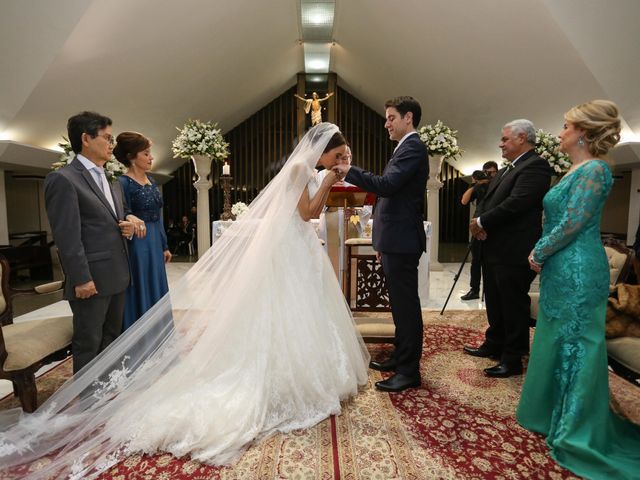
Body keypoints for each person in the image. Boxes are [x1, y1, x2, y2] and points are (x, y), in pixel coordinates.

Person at [0, 123, 369, 478]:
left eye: (340, 158)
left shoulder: (313, 169)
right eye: (336, 155)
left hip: (301, 248)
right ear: (322, 151)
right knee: (286, 312)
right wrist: (331, 181)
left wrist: (329, 180)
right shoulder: (302, 168)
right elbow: (308, 213)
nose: (338, 162)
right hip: (292, 246)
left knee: (306, 312)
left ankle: (311, 365)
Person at [517, 100, 640, 478]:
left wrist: (538, 251)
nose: (560, 132)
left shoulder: (597, 170)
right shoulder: (576, 169)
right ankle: (549, 411)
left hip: (579, 268)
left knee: (576, 342)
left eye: (567, 126)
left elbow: (573, 223)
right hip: (562, 269)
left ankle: (575, 427)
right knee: (555, 336)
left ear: (584, 133)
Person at [333, 96, 428, 393]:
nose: (386, 123)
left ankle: (409, 371)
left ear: (408, 118)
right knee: (398, 307)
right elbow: (390, 197)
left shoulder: (413, 147)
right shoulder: (404, 148)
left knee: (406, 307)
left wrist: (349, 170)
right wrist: (379, 238)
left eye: (390, 117)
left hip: (402, 240)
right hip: (393, 239)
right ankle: (400, 359)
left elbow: (387, 186)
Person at [44, 111, 143, 374]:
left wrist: (129, 225)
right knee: (89, 342)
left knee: (111, 337)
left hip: (116, 273)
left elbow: (115, 220)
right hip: (90, 279)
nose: (112, 145)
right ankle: (88, 404)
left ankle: (106, 391)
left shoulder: (111, 181)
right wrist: (80, 278)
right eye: (107, 138)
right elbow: (67, 235)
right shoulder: (64, 179)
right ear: (86, 138)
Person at [464, 119, 551, 377]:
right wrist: (479, 223)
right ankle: (494, 343)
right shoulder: (504, 170)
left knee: (512, 303)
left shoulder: (537, 166)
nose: (500, 144)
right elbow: (487, 201)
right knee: (494, 298)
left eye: (505, 139)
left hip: (515, 248)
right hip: (493, 246)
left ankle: (513, 358)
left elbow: (518, 203)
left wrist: (481, 221)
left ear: (522, 138)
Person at [114, 132, 171, 331]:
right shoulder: (122, 183)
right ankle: (140, 337)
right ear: (131, 156)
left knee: (157, 285)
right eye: (146, 153)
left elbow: (158, 215)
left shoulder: (152, 181)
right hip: (137, 244)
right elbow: (122, 215)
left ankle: (159, 335)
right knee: (141, 287)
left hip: (155, 241)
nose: (151, 157)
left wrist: (164, 245)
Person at [460, 169, 490, 301]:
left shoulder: (498, 184)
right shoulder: (478, 187)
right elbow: (464, 201)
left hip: (493, 223)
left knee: (491, 261)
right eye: (488, 172)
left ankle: (490, 290)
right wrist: (474, 185)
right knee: (476, 260)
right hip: (478, 225)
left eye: (493, 172)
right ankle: (475, 289)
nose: (490, 175)